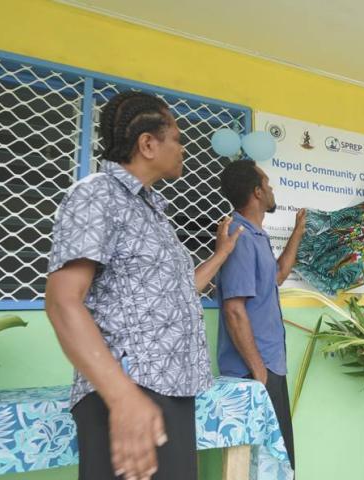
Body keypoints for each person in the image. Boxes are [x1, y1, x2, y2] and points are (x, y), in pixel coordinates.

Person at [45, 91, 242, 480]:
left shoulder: (150, 211)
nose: (184, 149)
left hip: (169, 393)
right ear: (148, 144)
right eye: (178, 139)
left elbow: (180, 290)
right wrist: (122, 397)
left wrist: (220, 255)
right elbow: (63, 302)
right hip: (129, 393)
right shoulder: (97, 194)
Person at [215, 159, 305, 471]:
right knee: (261, 464)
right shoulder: (239, 238)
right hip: (253, 372)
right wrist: (258, 370)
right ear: (256, 192)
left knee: (278, 461)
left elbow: (278, 275)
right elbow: (234, 310)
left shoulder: (255, 235)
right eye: (267, 184)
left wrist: (297, 232)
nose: (271, 189)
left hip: (266, 366)